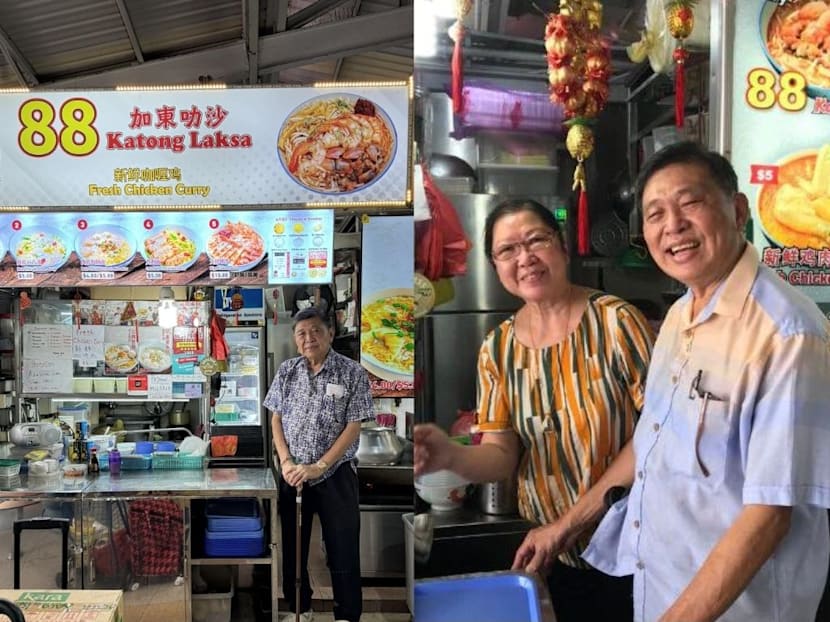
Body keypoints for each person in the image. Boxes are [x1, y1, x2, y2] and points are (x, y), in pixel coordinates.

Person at [512, 141, 830, 622]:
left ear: (738, 209)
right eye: (655, 213)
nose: (673, 226)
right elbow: (650, 442)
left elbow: (770, 513)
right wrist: (564, 526)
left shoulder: (786, 332)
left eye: (691, 203)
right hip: (663, 592)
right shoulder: (681, 314)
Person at [414, 198, 655, 622]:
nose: (524, 258)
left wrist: (566, 525)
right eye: (507, 250)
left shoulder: (617, 323)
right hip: (557, 557)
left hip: (635, 553)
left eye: (536, 240)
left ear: (561, 246)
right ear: (495, 266)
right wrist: (448, 456)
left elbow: (658, 434)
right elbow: (501, 454)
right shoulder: (498, 348)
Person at [264, 306, 374, 622]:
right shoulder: (287, 371)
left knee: (342, 549)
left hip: (336, 474)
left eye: (315, 330)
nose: (308, 338)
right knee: (293, 549)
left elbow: (354, 425)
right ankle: (300, 609)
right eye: (301, 333)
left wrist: (321, 466)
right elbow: (276, 419)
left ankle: (346, 615)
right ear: (295, 340)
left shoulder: (353, 372)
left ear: (330, 333)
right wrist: (285, 461)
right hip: (293, 473)